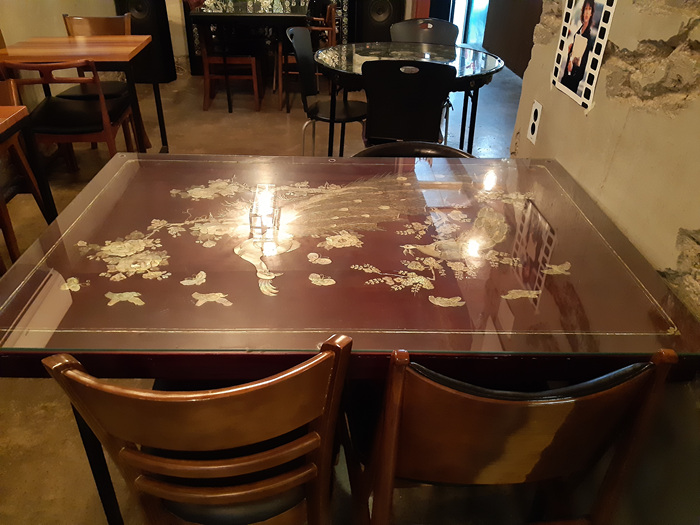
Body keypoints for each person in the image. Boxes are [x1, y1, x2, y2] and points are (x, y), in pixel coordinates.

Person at [561, 0, 595, 94]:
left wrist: (573, 65)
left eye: (589, 9)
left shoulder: (588, 33)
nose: (587, 12)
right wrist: (571, 49)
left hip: (574, 73)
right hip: (569, 69)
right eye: (585, 9)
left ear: (592, 13)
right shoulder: (581, 28)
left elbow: (582, 57)